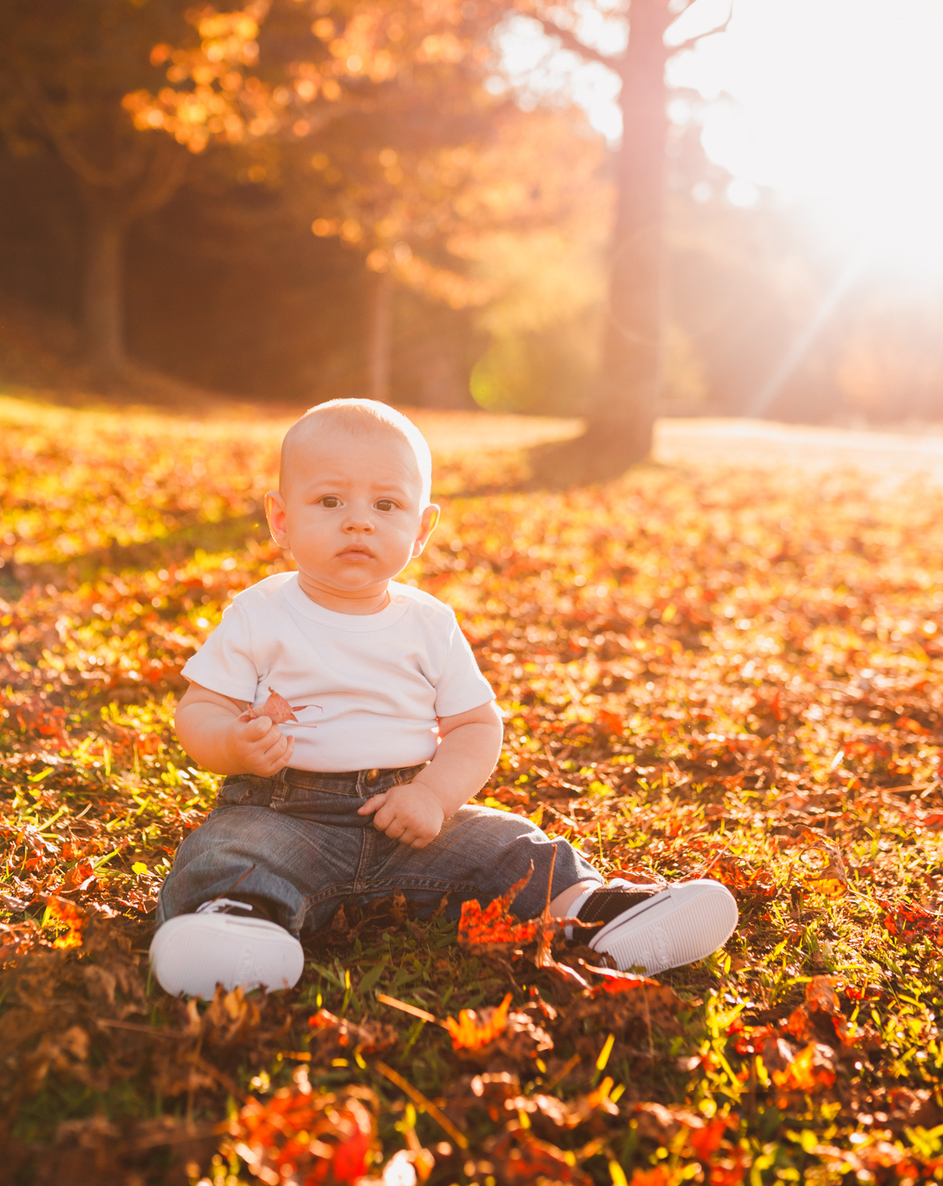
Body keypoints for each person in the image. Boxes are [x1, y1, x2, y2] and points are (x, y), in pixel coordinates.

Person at [150, 398, 736, 997]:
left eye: (386, 505)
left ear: (422, 529)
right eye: (330, 502)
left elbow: (477, 727)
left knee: (511, 846)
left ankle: (594, 910)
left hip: (410, 819)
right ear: (280, 520)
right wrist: (232, 743)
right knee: (229, 851)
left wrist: (432, 794)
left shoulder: (428, 623)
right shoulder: (260, 613)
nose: (359, 522)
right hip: (281, 814)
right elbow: (199, 710)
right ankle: (238, 927)